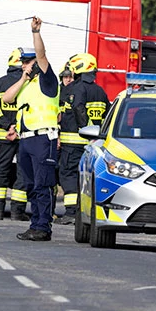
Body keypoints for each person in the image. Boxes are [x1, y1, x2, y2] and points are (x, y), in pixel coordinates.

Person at [2, 17, 60, 241]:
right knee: (30, 184)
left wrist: (36, 33)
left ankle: (43, 226)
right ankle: (36, 224)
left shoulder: (48, 81)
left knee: (43, 184)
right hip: (26, 140)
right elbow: (7, 98)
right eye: (23, 62)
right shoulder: (26, 85)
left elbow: (42, 55)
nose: (25, 65)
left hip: (43, 138)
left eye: (28, 62)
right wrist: (23, 79)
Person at [54, 53, 110, 225]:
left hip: (73, 143)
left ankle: (71, 212)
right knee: (85, 178)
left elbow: (78, 108)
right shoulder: (100, 91)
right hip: (93, 144)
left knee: (68, 175)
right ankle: (81, 212)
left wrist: (83, 128)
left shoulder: (77, 89)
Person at [0, 48, 29, 221]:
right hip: (25, 136)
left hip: (4, 137)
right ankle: (17, 212)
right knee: (23, 173)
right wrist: (18, 127)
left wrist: (7, 125)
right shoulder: (30, 83)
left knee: (0, 172)